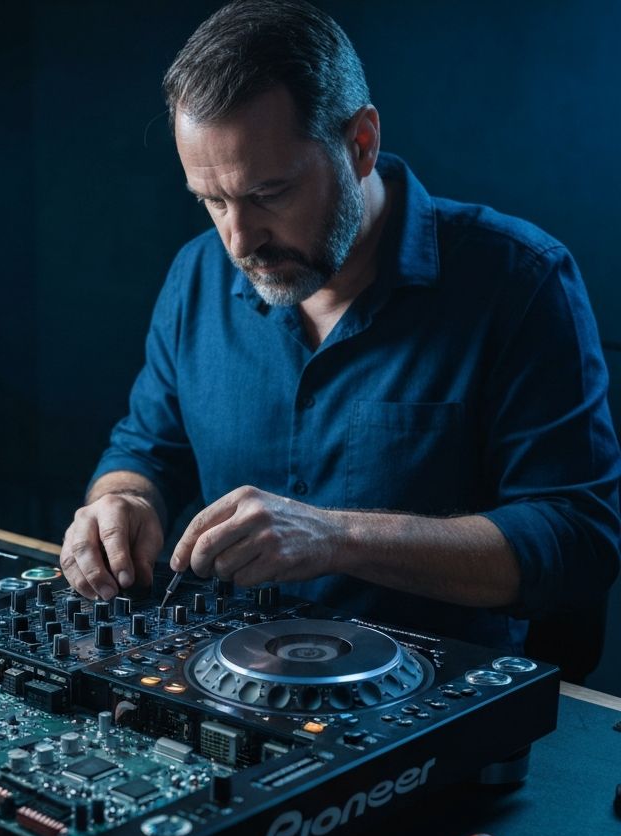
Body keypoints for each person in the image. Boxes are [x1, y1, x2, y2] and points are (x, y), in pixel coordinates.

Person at [59, 0, 621, 657]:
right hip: (226, 683)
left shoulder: (522, 281)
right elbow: (146, 450)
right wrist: (120, 502)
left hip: (430, 703)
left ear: (360, 145)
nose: (239, 240)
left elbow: (576, 539)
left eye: (269, 194)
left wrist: (337, 536)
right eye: (213, 201)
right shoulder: (195, 277)